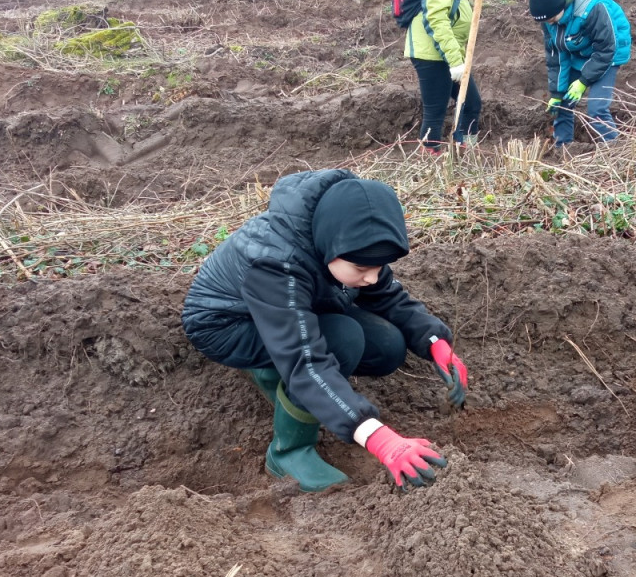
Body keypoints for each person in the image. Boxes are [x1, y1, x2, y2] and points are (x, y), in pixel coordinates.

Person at [182, 170, 469, 492]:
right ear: (330, 247)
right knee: (342, 339)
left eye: (378, 267)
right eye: (362, 269)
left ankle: (282, 378)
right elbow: (305, 361)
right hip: (229, 325)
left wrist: (436, 342)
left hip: (291, 310)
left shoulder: (345, 232)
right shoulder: (276, 264)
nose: (372, 278)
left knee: (387, 345)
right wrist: (377, 437)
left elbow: (388, 296)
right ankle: (288, 452)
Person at [527, 0, 631, 148]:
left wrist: (583, 82)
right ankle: (563, 149)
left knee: (597, 110)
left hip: (609, 51)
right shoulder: (549, 19)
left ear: (562, 6)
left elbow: (606, 49)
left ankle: (614, 150)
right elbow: (556, 57)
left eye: (552, 19)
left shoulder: (593, 7)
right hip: (579, 48)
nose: (550, 24)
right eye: (547, 22)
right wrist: (556, 93)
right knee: (562, 104)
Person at [403, 0, 481, 153]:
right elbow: (436, 18)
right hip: (431, 51)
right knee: (435, 114)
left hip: (450, 47)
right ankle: (430, 166)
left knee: (471, 104)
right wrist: (454, 60)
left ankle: (466, 157)